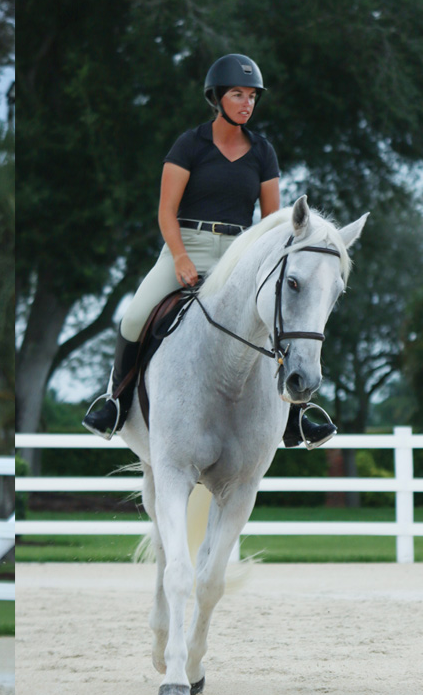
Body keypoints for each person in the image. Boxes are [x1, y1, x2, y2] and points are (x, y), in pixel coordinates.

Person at [81, 53, 337, 449]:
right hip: (186, 245)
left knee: (278, 318)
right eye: (238, 94)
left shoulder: (262, 151)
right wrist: (180, 257)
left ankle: (295, 414)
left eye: (252, 96)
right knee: (133, 317)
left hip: (240, 253)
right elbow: (166, 212)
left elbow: (274, 223)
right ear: (217, 98)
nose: (247, 103)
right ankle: (115, 402)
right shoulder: (190, 145)